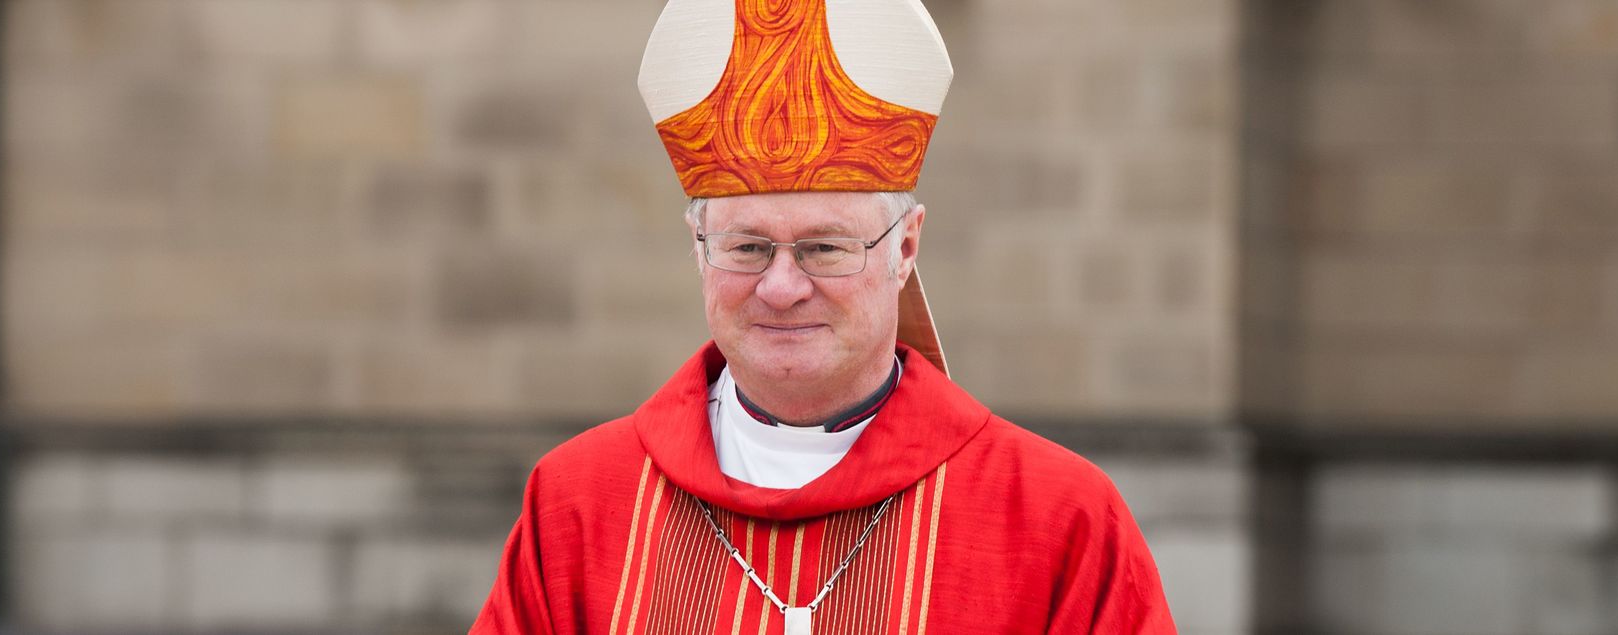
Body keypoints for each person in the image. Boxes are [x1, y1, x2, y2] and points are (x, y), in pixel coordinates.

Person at [469, 0, 1175, 632]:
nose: (781, 286)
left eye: (824, 247)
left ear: (905, 247)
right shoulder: (577, 506)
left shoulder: (1059, 521)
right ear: (697, 247)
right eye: (746, 246)